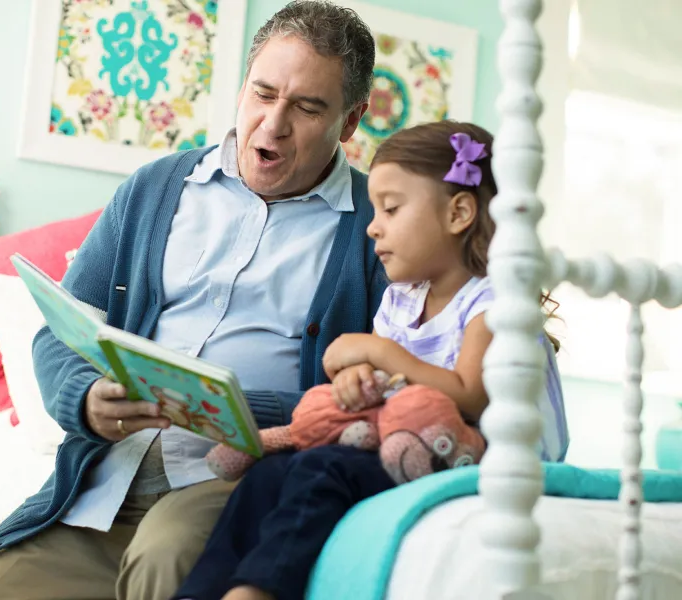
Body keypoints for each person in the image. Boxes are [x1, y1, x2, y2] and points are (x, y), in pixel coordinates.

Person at [0, 2, 386, 599]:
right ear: (242, 87)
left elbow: (382, 392)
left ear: (351, 121)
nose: (273, 124)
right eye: (263, 93)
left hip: (234, 480)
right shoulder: (154, 188)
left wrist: (239, 407)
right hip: (101, 485)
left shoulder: (376, 230)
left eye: (307, 108)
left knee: (166, 554)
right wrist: (85, 399)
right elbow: (60, 330)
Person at [172, 120, 570, 600]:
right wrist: (360, 377)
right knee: (270, 473)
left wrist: (382, 354)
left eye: (392, 208)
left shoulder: (494, 304)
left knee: (326, 471)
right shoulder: (402, 299)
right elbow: (382, 380)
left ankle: (259, 590)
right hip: (400, 441)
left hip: (472, 457)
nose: (373, 226)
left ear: (459, 212)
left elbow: (470, 396)